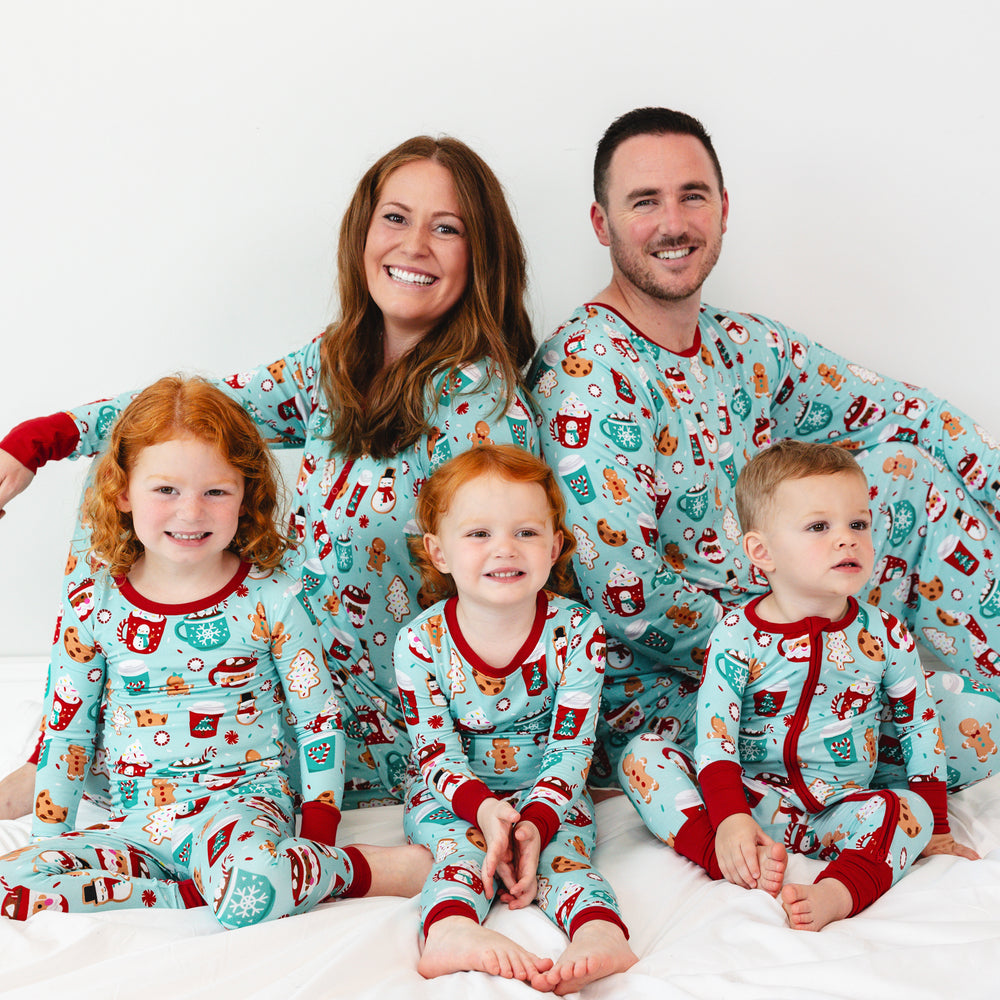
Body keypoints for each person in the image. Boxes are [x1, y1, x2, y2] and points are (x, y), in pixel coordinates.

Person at [0, 135, 538, 816]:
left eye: (447, 228)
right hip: (283, 650)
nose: (415, 245)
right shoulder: (337, 363)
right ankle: (60, 746)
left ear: (479, 255)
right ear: (364, 232)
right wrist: (38, 441)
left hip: (367, 705)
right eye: (396, 218)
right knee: (135, 473)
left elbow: (503, 594)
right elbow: (187, 417)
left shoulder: (481, 408)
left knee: (158, 746)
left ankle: (87, 752)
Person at [529, 106, 1000, 798]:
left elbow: (904, 411)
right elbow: (628, 596)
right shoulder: (584, 376)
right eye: (644, 202)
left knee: (905, 474)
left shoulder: (744, 346)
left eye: (693, 195)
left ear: (723, 209)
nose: (673, 223)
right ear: (601, 224)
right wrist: (797, 636)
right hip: (694, 692)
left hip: (797, 619)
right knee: (969, 729)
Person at [0, 376, 428, 925]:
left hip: (239, 815)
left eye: (216, 492)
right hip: (137, 826)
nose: (191, 513)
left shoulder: (273, 597)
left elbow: (317, 719)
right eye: (166, 490)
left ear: (246, 496)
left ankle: (351, 870)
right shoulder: (94, 605)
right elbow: (69, 732)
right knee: (13, 881)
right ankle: (188, 897)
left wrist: (318, 839)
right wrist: (49, 849)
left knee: (257, 885)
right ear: (123, 492)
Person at [620, 440, 979, 931]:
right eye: (819, 527)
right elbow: (716, 734)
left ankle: (841, 888)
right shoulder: (738, 634)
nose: (847, 539)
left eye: (858, 524)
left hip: (842, 806)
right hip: (754, 800)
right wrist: (728, 817)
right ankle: (725, 854)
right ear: (761, 552)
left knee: (911, 806)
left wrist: (933, 825)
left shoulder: (887, 634)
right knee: (641, 755)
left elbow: (919, 726)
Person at [395, 445, 637, 994]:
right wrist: (484, 811)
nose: (504, 548)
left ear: (554, 547)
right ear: (439, 552)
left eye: (525, 533)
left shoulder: (577, 631)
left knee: (563, 858)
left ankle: (601, 932)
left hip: (549, 790)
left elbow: (572, 748)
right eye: (479, 534)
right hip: (453, 793)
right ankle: (451, 931)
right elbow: (435, 751)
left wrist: (535, 822)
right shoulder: (419, 641)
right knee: (460, 854)